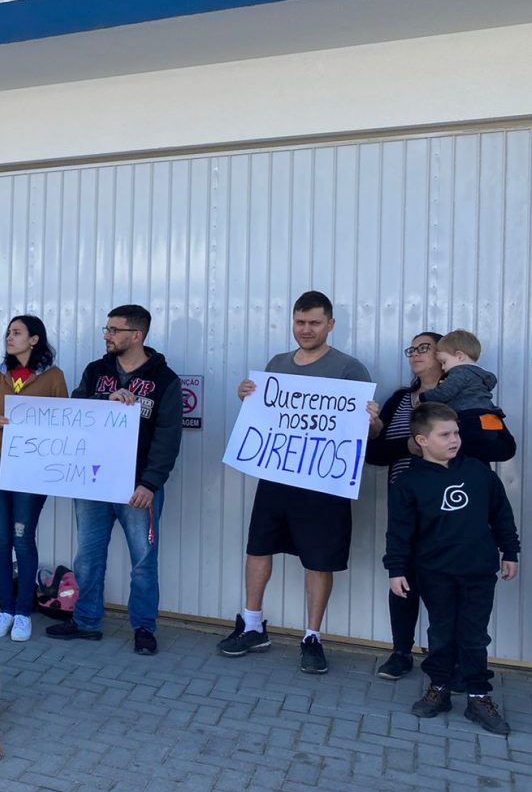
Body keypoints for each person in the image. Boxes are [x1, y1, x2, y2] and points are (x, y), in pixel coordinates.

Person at [217, 291, 375, 674]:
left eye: (314, 323)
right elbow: (268, 418)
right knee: (258, 547)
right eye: (300, 322)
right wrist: (248, 398)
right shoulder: (277, 363)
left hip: (325, 485)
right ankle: (252, 624)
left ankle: (312, 637)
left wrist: (374, 422)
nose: (305, 330)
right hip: (277, 475)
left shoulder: (350, 369)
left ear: (330, 325)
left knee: (318, 559)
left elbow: (365, 433)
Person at [46, 305, 183, 655]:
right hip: (92, 482)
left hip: (137, 488)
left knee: (143, 561)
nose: (106, 335)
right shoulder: (96, 371)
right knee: (88, 557)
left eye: (113, 329)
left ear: (136, 335)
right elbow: (75, 409)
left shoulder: (165, 381)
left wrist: (150, 484)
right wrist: (103, 400)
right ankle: (86, 621)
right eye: (105, 329)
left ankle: (143, 628)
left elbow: (168, 437)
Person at [384, 403, 519, 735]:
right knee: (441, 633)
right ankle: (440, 689)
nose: (455, 439)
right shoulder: (409, 483)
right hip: (434, 572)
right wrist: (396, 569)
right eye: (445, 434)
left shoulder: (479, 473)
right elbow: (399, 531)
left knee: (474, 635)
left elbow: (501, 515)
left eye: (456, 432)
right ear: (422, 440)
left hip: (478, 570)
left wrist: (510, 552)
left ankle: (478, 697)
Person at [0, 315, 68, 642]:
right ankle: (5, 609)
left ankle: (24, 612)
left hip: (32, 467)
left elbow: (64, 420)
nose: (9, 338)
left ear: (34, 340)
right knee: (1, 537)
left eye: (16, 333)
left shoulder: (53, 377)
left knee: (22, 536)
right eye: (8, 333)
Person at [364, 332, 444, 680]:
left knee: (444, 580)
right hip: (403, 506)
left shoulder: (460, 396)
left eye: (423, 347)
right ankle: (401, 652)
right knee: (402, 578)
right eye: (411, 349)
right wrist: (408, 447)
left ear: (444, 354)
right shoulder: (398, 399)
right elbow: (375, 454)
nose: (414, 354)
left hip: (446, 505)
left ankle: (445, 655)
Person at [418, 329, 516, 463]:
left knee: (460, 450)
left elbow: (445, 392)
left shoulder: (460, 373)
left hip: (469, 417)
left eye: (444, 361)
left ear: (459, 356)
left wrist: (424, 397)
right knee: (499, 446)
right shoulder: (479, 375)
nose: (443, 367)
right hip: (490, 415)